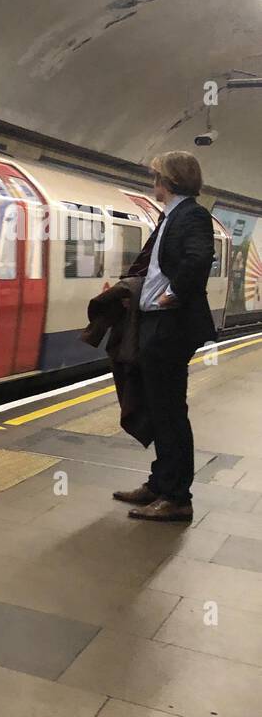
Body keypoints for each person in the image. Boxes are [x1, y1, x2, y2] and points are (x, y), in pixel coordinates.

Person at [113, 151, 217, 522]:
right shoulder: (172, 216)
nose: (153, 183)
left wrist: (172, 294)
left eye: (156, 176)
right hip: (157, 323)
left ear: (168, 181)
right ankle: (160, 483)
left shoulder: (193, 215)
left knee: (170, 411)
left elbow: (199, 258)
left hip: (171, 327)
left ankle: (176, 497)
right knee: (159, 407)